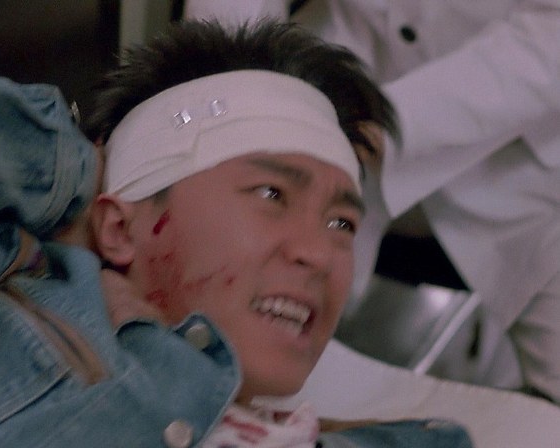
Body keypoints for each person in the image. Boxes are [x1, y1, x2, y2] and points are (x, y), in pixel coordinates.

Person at [0, 20, 470, 448]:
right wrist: (80, 187)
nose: (319, 252)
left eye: (342, 221)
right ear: (120, 224)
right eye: (271, 194)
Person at [185, 0, 560, 402]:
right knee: (239, 340)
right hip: (336, 91)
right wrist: (238, 101)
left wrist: (392, 122)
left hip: (520, 158)